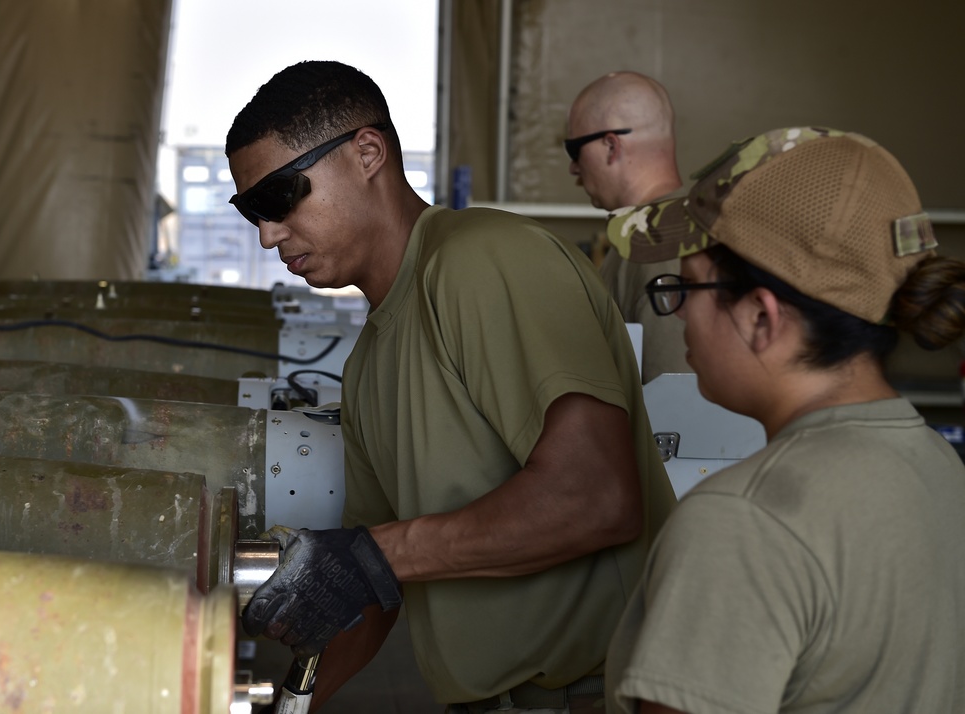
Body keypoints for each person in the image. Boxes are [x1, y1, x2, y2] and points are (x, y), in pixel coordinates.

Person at [224, 60, 677, 713]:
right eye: (250, 213)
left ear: (368, 153)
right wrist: (292, 701)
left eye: (279, 197)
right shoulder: (372, 359)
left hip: (594, 694)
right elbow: (371, 588)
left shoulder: (483, 260)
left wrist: (372, 553)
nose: (268, 235)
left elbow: (596, 496)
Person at [604, 126, 965, 713]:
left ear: (761, 317)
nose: (681, 316)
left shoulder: (743, 521)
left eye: (689, 288)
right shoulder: (938, 466)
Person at [566, 71, 690, 383]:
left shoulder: (657, 243)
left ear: (611, 146)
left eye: (574, 149)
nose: (573, 167)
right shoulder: (654, 233)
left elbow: (675, 398)